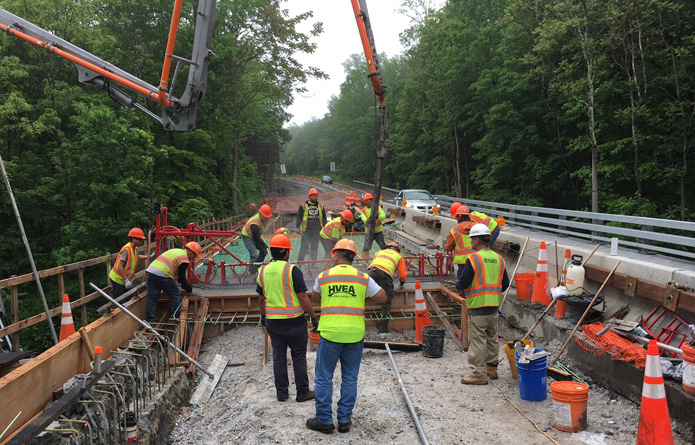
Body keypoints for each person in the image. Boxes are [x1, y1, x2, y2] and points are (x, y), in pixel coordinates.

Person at [306, 239, 386, 434]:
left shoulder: (324, 276)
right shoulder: (363, 278)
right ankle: (344, 421)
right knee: (350, 378)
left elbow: (314, 298)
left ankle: (324, 420)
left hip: (331, 334)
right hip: (354, 335)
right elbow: (383, 298)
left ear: (335, 255)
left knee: (324, 378)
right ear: (353, 257)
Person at [257, 234, 318, 402]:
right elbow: (303, 297)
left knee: (279, 355)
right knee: (298, 356)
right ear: (287, 253)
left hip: (273, 322)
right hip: (294, 321)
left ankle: (282, 393)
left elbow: (261, 298)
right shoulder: (292, 270)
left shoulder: (263, 271)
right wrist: (313, 316)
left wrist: (263, 316)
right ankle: (302, 392)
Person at [456, 224, 509, 385]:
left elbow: (465, 281)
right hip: (493, 307)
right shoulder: (499, 259)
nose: (471, 242)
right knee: (492, 338)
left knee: (478, 341)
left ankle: (478, 374)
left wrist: (458, 286)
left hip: (477, 306)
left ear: (478, 240)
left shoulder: (474, 258)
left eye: (472, 239)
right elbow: (505, 284)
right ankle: (492, 369)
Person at [146, 241, 201, 324]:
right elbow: (182, 278)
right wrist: (188, 288)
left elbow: (178, 277)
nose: (194, 258)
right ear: (190, 252)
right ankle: (176, 318)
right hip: (163, 274)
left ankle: (150, 321)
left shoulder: (177, 251)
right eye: (195, 255)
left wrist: (181, 283)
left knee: (152, 298)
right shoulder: (184, 259)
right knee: (175, 294)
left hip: (150, 272)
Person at [367, 242, 408, 333]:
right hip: (385, 274)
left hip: (371, 271)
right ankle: (383, 328)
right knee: (387, 300)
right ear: (396, 249)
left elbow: (375, 264)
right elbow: (403, 274)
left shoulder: (379, 252)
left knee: (363, 292)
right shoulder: (398, 256)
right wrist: (402, 282)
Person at [109, 227, 149, 299]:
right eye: (140, 239)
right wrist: (126, 280)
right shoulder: (126, 250)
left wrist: (148, 257)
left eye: (142, 239)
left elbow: (136, 256)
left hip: (126, 280)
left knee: (128, 299)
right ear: (133, 239)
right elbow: (120, 266)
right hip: (118, 279)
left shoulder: (135, 248)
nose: (141, 241)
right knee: (119, 302)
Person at [444, 206, 475, 282]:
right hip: (477, 260)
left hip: (463, 263)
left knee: (463, 285)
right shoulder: (477, 227)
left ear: (458, 217)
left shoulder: (454, 231)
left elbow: (448, 247)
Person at [296, 188, 327, 264]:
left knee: (314, 248)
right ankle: (299, 263)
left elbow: (324, 218)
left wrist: (325, 228)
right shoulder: (303, 206)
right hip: (306, 231)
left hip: (317, 231)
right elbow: (299, 217)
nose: (315, 197)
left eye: (316, 195)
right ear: (309, 196)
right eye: (313, 195)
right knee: (303, 248)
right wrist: (297, 227)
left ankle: (313, 263)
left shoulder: (321, 206)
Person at [242, 204, 273, 277]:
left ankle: (256, 268)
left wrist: (263, 245)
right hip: (248, 236)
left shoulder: (264, 219)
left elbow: (257, 235)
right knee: (254, 255)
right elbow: (256, 238)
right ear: (261, 214)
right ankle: (252, 273)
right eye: (265, 217)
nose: (267, 219)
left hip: (255, 235)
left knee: (264, 251)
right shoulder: (255, 223)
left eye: (268, 217)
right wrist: (263, 243)